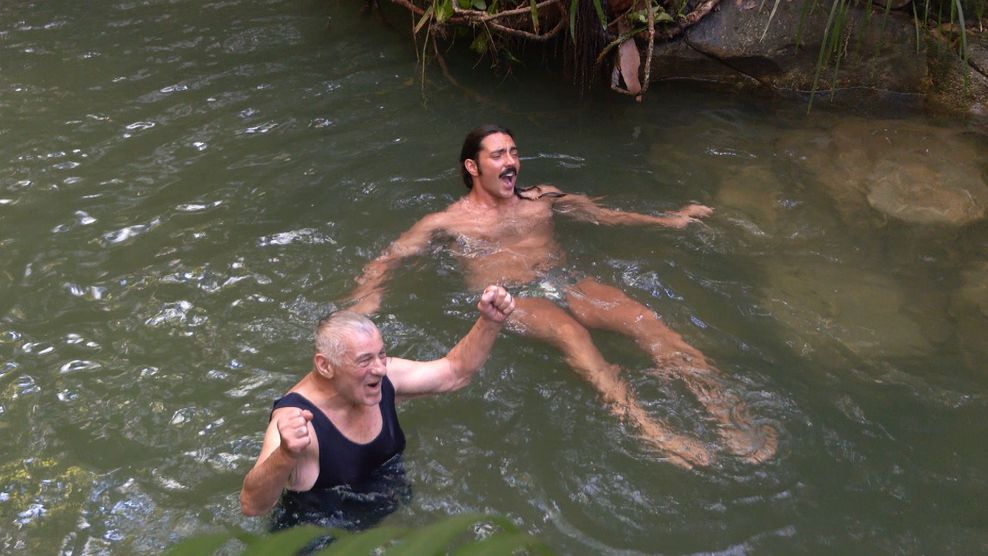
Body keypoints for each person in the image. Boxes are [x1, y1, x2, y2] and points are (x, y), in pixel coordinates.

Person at [347, 124, 777, 468]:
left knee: (645, 320)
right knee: (572, 335)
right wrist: (367, 299)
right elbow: (391, 257)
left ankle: (727, 412)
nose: (511, 161)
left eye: (513, 152)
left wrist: (669, 222)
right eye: (498, 155)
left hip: (565, 276)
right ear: (473, 167)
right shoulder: (446, 222)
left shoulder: (542, 197)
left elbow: (605, 215)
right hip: (513, 297)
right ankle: (648, 426)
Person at [240, 285, 515, 528]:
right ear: (325, 365)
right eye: (364, 360)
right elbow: (252, 505)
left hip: (386, 521)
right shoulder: (296, 422)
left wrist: (489, 322)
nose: (380, 369)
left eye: (381, 354)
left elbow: (455, 372)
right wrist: (285, 454)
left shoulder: (382, 379)